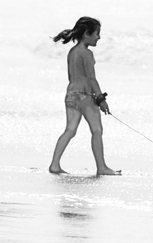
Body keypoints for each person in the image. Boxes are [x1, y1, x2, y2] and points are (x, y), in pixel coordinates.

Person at [48, 16, 120, 176]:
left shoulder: (72, 52)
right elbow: (91, 78)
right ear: (87, 33)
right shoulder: (86, 53)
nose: (99, 37)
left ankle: (54, 164)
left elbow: (71, 76)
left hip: (71, 94)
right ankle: (101, 167)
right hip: (85, 96)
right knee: (97, 130)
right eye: (96, 33)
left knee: (70, 130)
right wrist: (101, 98)